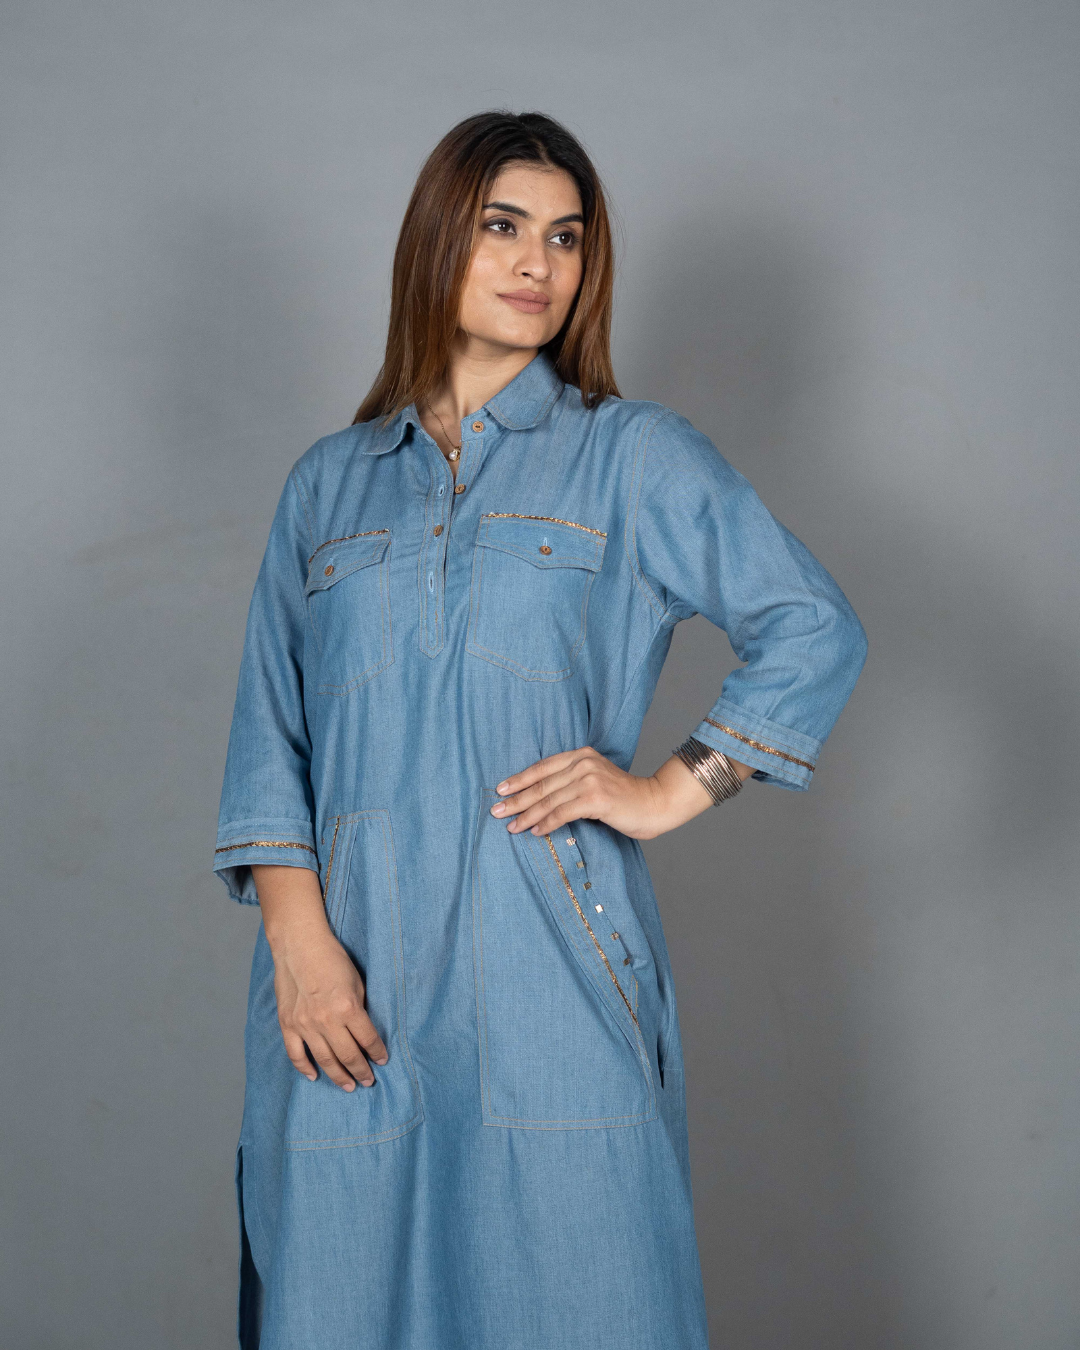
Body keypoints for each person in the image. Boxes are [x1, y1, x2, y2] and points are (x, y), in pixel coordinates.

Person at [214, 109, 867, 1350]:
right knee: (342, 1297)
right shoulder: (328, 483)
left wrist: (672, 787)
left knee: (580, 1296)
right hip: (347, 980)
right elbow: (269, 731)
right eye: (504, 227)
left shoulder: (633, 457)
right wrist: (300, 946)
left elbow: (813, 627)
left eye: (566, 238)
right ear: (436, 240)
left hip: (550, 960)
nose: (538, 263)